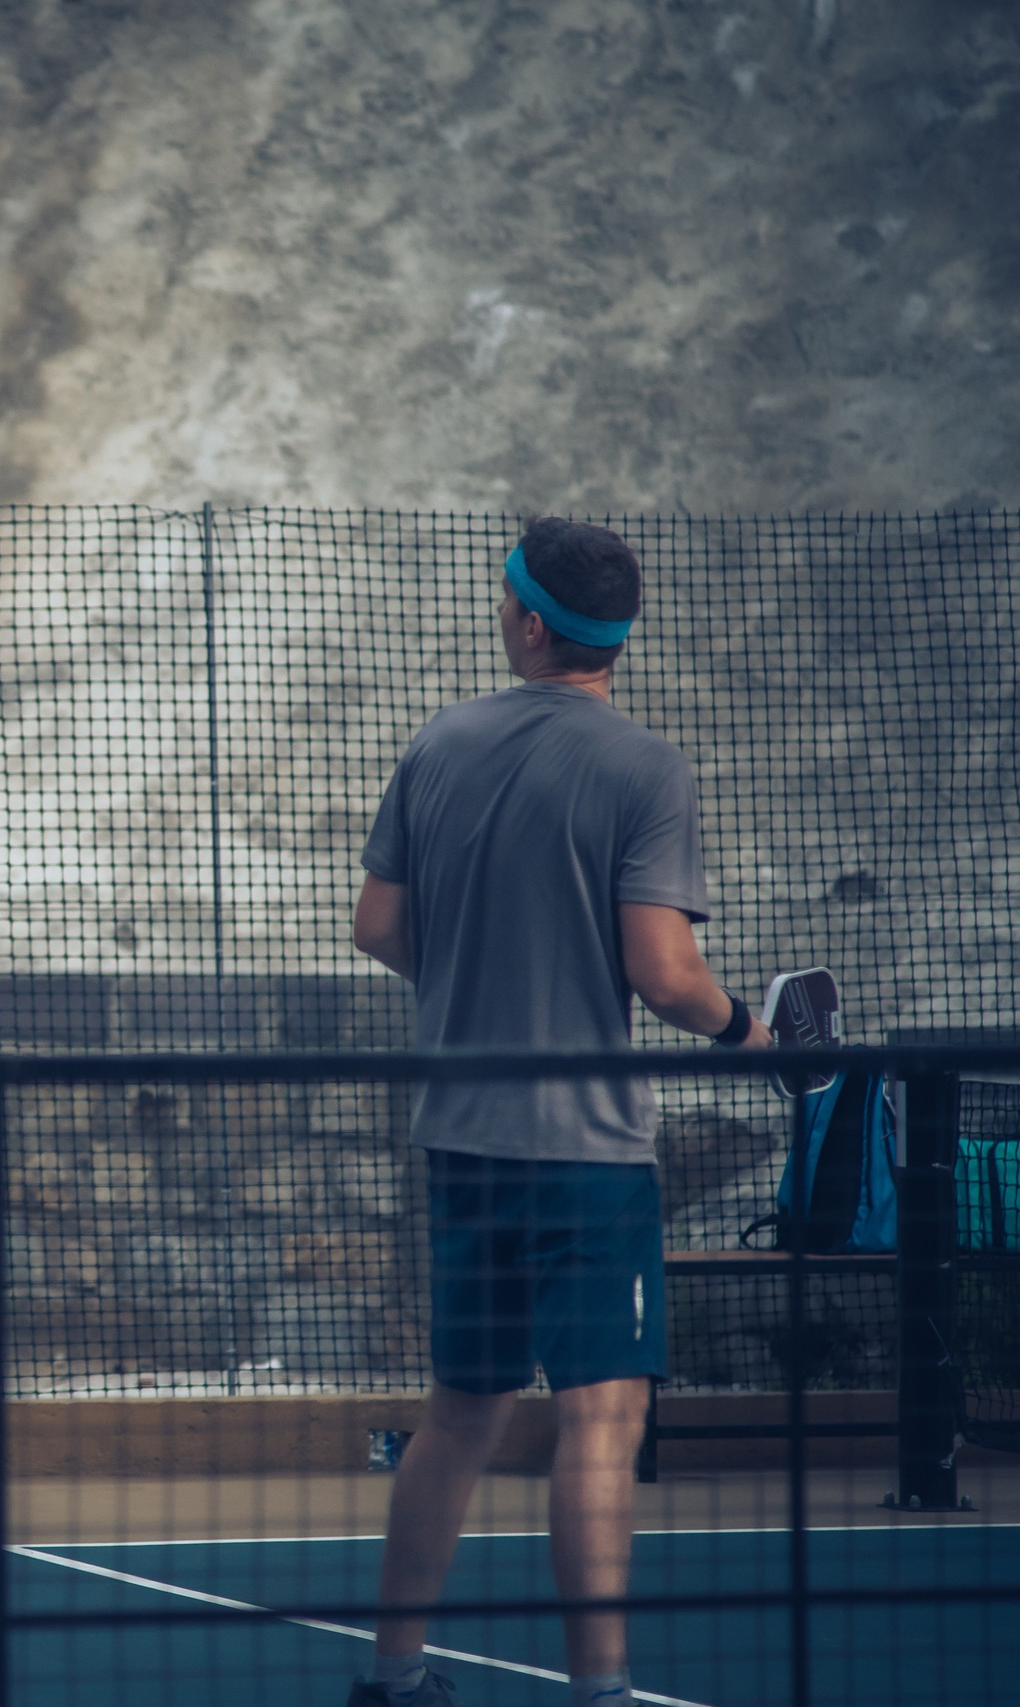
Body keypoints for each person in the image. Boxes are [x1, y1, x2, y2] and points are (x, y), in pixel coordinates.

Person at [345, 518, 769, 1707]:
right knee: (600, 1422)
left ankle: (392, 1676)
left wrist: (471, 972)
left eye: (503, 599)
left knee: (457, 1416)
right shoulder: (646, 768)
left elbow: (377, 927)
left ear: (529, 625)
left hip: (461, 1141)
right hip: (586, 1154)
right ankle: (599, 1693)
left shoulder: (439, 740)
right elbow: (666, 977)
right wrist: (748, 1031)